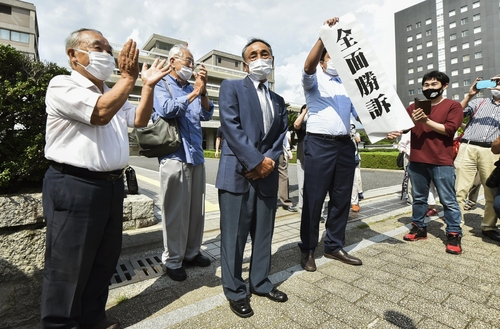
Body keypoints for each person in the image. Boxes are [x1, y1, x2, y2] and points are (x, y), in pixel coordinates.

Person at [41, 28, 170, 328]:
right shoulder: (61, 85)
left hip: (111, 186)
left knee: (103, 261)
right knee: (67, 268)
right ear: (74, 55)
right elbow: (99, 114)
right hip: (74, 185)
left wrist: (146, 85)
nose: (108, 55)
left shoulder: (109, 91)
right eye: (98, 47)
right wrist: (128, 78)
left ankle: (93, 319)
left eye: (109, 49)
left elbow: (138, 119)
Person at [216, 38, 289, 318]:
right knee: (233, 237)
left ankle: (259, 282)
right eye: (254, 54)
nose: (260, 58)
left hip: (267, 174)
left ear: (272, 59)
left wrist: (268, 161)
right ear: (246, 62)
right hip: (238, 173)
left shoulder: (278, 100)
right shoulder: (231, 87)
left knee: (263, 234)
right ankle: (235, 290)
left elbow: (280, 133)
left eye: (265, 53)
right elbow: (231, 127)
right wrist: (256, 162)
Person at [299, 16, 362, 273]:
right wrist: (324, 37)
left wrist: (387, 127)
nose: (334, 61)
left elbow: (364, 114)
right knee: (314, 199)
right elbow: (307, 66)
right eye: (330, 56)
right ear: (324, 60)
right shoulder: (314, 81)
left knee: (341, 198)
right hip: (319, 145)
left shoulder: (351, 86)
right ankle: (308, 249)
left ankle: (333, 245)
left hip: (345, 146)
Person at [153, 44, 214, 282]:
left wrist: (203, 90)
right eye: (186, 61)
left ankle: (191, 252)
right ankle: (173, 260)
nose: (190, 65)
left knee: (196, 210)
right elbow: (166, 109)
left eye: (192, 62)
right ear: (172, 62)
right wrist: (193, 94)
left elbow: (207, 115)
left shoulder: (193, 87)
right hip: (173, 156)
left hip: (195, 155)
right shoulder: (162, 83)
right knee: (175, 212)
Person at [399, 70, 463, 254]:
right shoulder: (414, 107)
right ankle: (418, 228)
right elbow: (403, 127)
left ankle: (453, 233)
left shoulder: (453, 106)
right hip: (417, 160)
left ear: (445, 86)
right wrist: (395, 130)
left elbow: (449, 130)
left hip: (441, 161)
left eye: (434, 84)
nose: (429, 88)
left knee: (448, 200)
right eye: (426, 85)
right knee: (419, 198)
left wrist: (426, 120)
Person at [456, 77, 500, 241]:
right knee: (459, 188)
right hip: (467, 146)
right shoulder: (479, 102)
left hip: (491, 150)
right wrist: (469, 95)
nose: (497, 85)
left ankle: (488, 226)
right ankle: (455, 224)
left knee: (490, 190)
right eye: (494, 81)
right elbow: (455, 116)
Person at [278, 130, 298, 212]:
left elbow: (283, 134)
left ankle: (286, 202)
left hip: (278, 148)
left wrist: (288, 149)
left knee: (283, 175)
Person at [293, 104, 308, 211]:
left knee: (317, 186)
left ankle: (318, 212)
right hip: (302, 157)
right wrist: (304, 112)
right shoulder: (302, 124)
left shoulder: (318, 124)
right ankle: (302, 207)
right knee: (302, 185)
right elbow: (296, 124)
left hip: (316, 157)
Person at [350, 123, 361, 212]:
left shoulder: (356, 134)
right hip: (339, 154)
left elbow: (358, 140)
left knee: (353, 181)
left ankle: (354, 202)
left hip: (352, 156)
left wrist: (353, 135)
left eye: (353, 127)